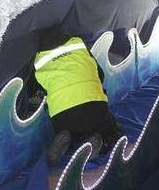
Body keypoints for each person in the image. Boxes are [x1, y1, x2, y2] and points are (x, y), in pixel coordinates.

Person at [34, 27, 123, 166]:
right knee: (111, 129)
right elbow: (100, 74)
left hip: (62, 114)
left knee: (72, 127)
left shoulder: (39, 59)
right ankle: (101, 141)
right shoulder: (78, 44)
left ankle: (67, 137)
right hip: (95, 106)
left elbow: (40, 90)